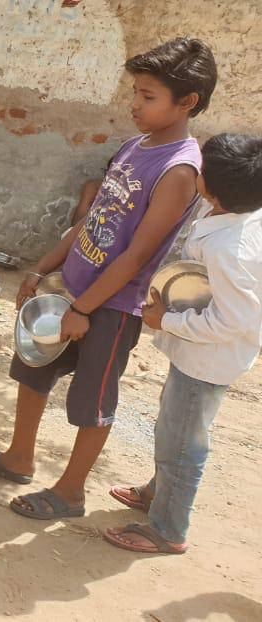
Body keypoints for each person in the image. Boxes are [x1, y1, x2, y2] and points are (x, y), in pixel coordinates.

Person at [0, 38, 218, 521]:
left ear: (187, 103)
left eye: (147, 97)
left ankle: (71, 491)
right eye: (135, 92)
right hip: (72, 289)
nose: (134, 104)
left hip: (112, 308)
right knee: (33, 368)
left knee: (92, 400)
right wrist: (44, 268)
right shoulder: (135, 146)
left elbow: (138, 255)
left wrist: (83, 310)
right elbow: (89, 221)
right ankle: (19, 457)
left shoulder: (179, 169)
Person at [104, 133, 262, 554]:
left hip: (207, 359)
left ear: (215, 188)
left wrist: (166, 320)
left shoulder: (232, 249)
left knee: (183, 441)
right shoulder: (237, 216)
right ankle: (160, 492)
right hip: (199, 351)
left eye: (203, 171)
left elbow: (234, 319)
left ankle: (167, 529)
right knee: (173, 426)